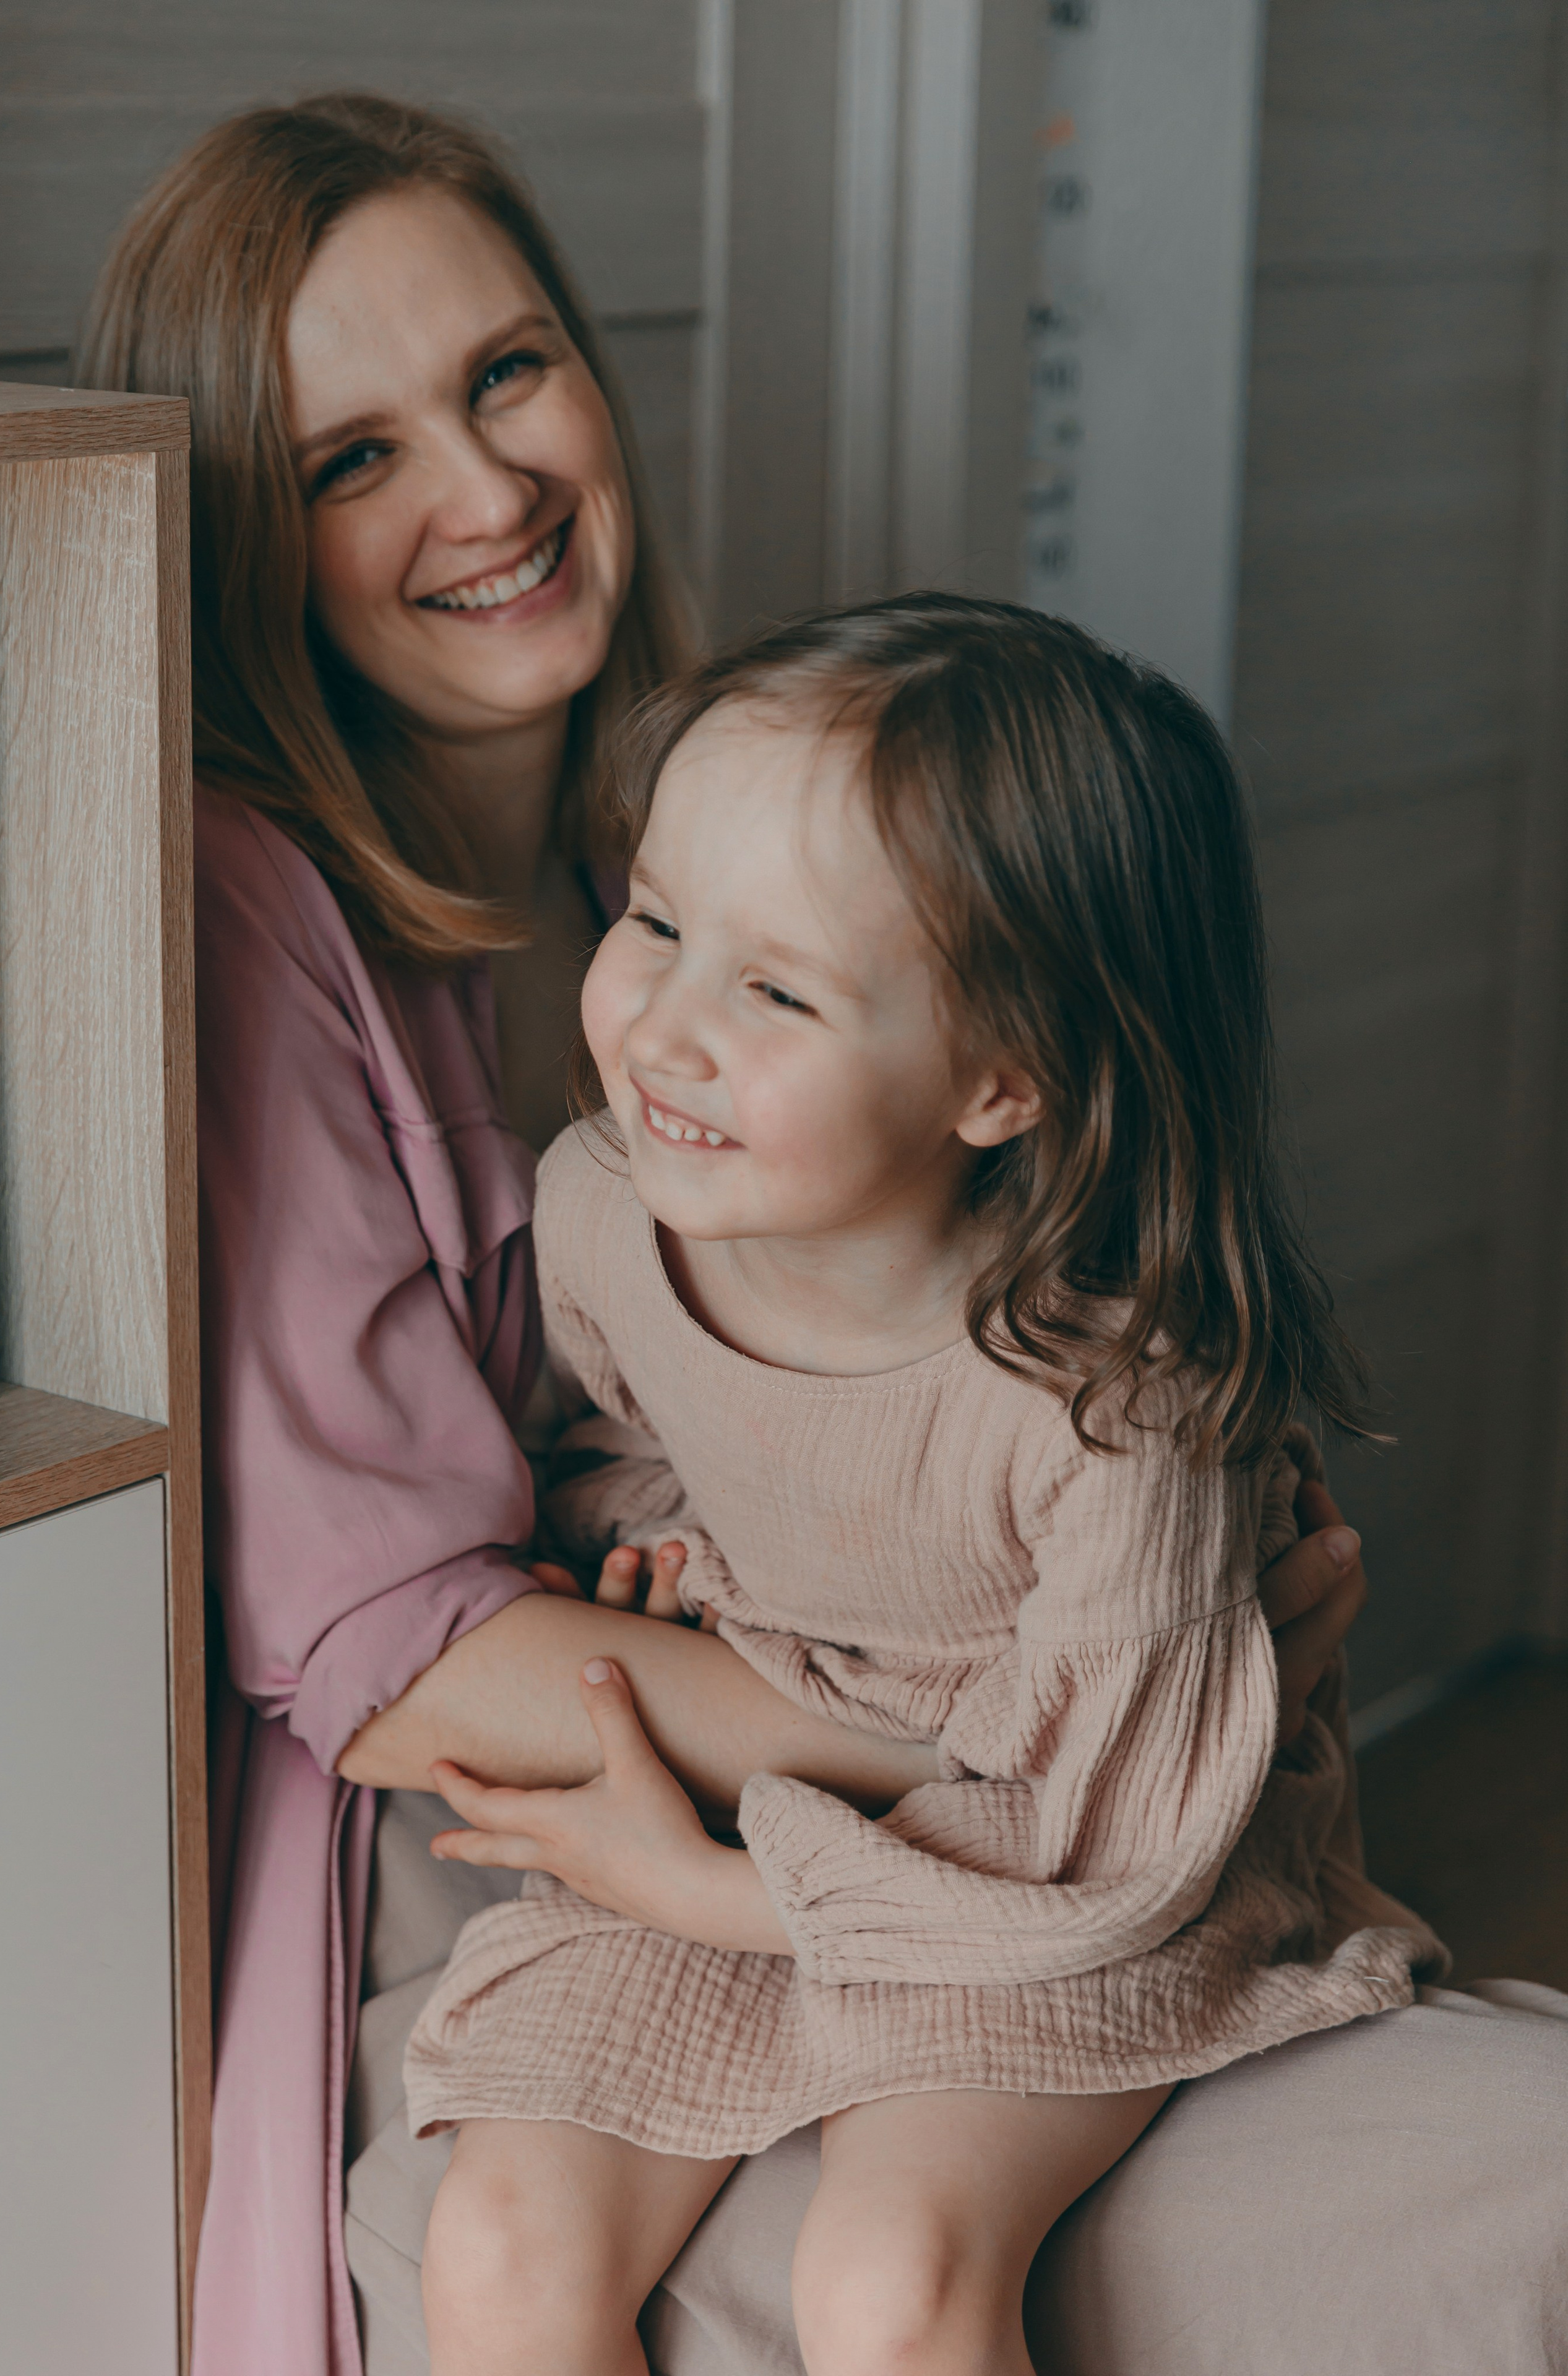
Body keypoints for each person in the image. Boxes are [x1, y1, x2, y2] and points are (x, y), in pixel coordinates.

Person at [75, 88, 1560, 2376]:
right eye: (350, 457)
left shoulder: (730, 817)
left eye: (504, 372)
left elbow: (972, 1384)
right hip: (520, 1851)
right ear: (247, 527)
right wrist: (1024, 1717)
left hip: (920, 1815)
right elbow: (407, 1663)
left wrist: (1165, 1617)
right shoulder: (244, 906)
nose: (486, 493)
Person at [400, 598, 1440, 2376]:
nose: (662, 1027)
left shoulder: (1116, 1408)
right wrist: (650, 1538)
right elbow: (633, 1432)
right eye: (655, 918)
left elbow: (1100, 1854)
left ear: (999, 1080)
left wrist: (702, 1889)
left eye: (778, 989)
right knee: (496, 2251)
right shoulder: (605, 1210)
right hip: (784, 1789)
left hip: (1069, 1868)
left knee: (888, 2282)